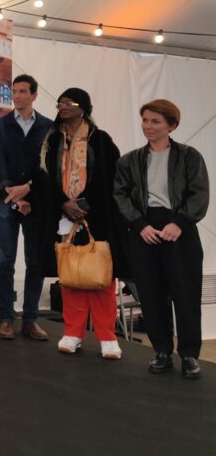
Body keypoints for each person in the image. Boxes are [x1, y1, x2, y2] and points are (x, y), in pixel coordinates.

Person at [114, 99, 209, 379]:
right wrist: (139, 225)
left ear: (171, 125)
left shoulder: (189, 157)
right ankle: (162, 352)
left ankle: (189, 355)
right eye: (145, 120)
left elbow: (199, 193)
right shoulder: (129, 160)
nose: (148, 126)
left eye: (155, 121)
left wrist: (180, 223)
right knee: (151, 294)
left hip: (180, 229)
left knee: (186, 294)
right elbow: (120, 195)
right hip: (144, 230)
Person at [38, 87, 125, 359]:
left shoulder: (100, 139)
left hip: (96, 216)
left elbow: (111, 179)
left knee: (101, 277)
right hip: (63, 216)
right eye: (60, 103)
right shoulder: (51, 140)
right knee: (71, 275)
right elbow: (44, 178)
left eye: (69, 103)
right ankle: (73, 332)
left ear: (84, 108)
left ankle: (107, 336)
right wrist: (63, 202)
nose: (62, 107)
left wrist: (84, 204)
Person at [0, 74, 53, 341]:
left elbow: (48, 167)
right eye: (14, 91)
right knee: (5, 261)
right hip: (6, 200)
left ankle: (30, 320)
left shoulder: (49, 127)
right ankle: (6, 318)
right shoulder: (0, 125)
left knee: (35, 262)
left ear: (34, 95)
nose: (17, 96)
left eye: (23, 91)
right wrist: (15, 194)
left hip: (36, 202)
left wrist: (29, 189)